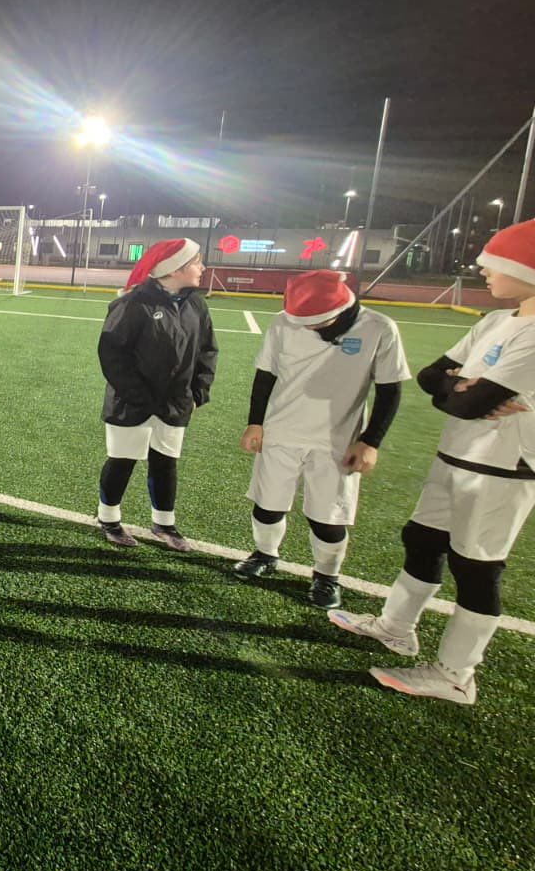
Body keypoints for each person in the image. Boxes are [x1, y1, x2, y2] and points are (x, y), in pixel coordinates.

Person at [330, 216, 535, 705]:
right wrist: (459, 388)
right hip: (457, 453)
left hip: (504, 467)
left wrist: (465, 392)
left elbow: (471, 403)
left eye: (496, 263)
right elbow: (432, 377)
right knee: (422, 539)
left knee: (476, 567)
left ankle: (456, 675)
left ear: (534, 270)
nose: (483, 270)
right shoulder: (496, 321)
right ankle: (396, 628)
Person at [233, 270, 408, 608]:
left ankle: (327, 576)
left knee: (328, 518)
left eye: (316, 322)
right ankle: (265, 553)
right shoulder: (283, 323)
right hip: (281, 432)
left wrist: (371, 441)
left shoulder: (379, 328)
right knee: (267, 505)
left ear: (340, 309)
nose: (309, 327)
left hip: (337, 440)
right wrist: (255, 423)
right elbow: (265, 374)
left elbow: (390, 389)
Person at [94, 237, 217, 550]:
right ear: (174, 269)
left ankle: (164, 523)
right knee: (122, 461)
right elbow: (112, 354)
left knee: (166, 463)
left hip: (175, 403)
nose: (202, 268)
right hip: (131, 404)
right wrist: (138, 396)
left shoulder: (197, 305)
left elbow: (207, 351)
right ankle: (108, 518)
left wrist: (198, 392)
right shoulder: (133, 304)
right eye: (196, 262)